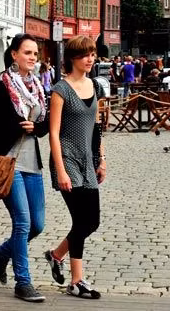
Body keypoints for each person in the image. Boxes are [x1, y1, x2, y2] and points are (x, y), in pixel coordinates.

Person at [0, 33, 50, 303]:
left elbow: (45, 123)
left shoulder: (37, 86)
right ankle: (23, 282)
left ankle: (4, 252)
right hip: (8, 163)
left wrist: (36, 128)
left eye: (35, 54)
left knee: (37, 225)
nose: (32, 58)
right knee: (23, 222)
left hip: (32, 165)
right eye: (27, 53)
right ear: (14, 55)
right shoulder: (2, 88)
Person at [45, 35, 106, 299]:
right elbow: (53, 133)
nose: (90, 59)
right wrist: (61, 170)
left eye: (92, 54)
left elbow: (96, 128)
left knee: (92, 221)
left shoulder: (94, 86)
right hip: (67, 159)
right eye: (85, 55)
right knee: (81, 220)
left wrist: (101, 159)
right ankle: (76, 281)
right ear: (72, 58)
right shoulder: (61, 90)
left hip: (87, 160)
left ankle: (55, 255)